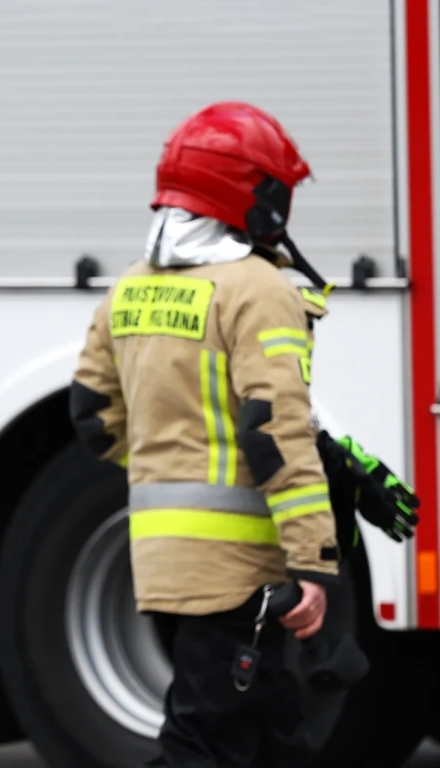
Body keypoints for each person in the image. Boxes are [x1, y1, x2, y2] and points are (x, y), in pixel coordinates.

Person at [71, 102, 342, 767]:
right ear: (256, 197)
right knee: (203, 743)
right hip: (238, 573)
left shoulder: (130, 287)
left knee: (273, 738)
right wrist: (312, 561)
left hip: (162, 564)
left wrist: (172, 469)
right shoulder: (258, 289)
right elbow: (273, 431)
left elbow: (91, 415)